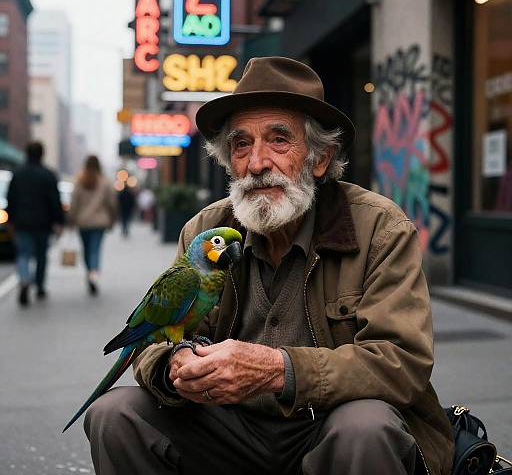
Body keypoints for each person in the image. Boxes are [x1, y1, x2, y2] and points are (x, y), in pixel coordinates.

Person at [85, 57, 454, 475]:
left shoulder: (378, 229)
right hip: (227, 427)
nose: (257, 163)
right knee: (115, 414)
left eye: (279, 140)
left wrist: (280, 371)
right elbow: (153, 343)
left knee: (365, 427)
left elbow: (401, 362)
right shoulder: (205, 231)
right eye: (241, 144)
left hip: (328, 422)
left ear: (319, 159)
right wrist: (172, 369)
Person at [6, 140, 64, 305]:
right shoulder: (48, 174)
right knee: (41, 256)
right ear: (41, 154)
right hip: (43, 223)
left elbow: (11, 198)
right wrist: (59, 221)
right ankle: (39, 286)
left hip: (22, 222)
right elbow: (55, 200)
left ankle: (24, 279)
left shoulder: (18, 174)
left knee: (23, 254)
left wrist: (10, 219)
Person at [68, 155, 117, 295]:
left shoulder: (79, 181)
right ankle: (93, 275)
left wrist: (71, 218)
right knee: (95, 250)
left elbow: (74, 202)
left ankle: (89, 272)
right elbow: (112, 203)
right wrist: (113, 218)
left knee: (86, 250)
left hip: (83, 222)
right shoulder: (105, 182)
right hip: (99, 222)